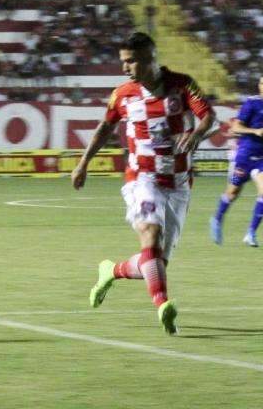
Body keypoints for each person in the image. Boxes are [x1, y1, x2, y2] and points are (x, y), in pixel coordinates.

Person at [71, 32, 216, 334]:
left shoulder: (182, 84)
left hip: (178, 184)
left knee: (155, 261)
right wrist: (83, 163)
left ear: (151, 58)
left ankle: (110, 270)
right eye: (123, 61)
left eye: (131, 61)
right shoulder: (122, 94)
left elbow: (207, 116)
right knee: (150, 234)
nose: (125, 67)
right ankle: (163, 305)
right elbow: (104, 128)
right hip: (142, 179)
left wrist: (197, 134)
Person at [211, 78, 263, 247]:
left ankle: (250, 233)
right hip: (245, 156)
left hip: (262, 159)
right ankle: (217, 219)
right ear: (260, 86)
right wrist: (255, 131)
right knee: (232, 193)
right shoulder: (252, 104)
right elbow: (236, 128)